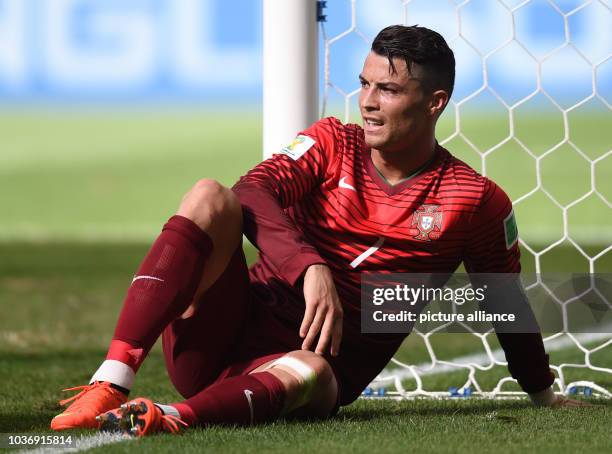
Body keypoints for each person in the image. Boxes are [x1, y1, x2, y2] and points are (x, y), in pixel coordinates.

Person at [51, 24, 586, 436]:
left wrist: (541, 391)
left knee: (310, 369)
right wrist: (308, 267)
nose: (369, 102)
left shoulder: (473, 200)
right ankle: (111, 382)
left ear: (434, 103)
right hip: (222, 334)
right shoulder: (333, 142)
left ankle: (170, 416)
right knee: (209, 195)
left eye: (389, 90)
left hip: (307, 373)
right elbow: (251, 192)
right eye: (364, 84)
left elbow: (503, 302)